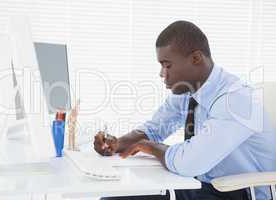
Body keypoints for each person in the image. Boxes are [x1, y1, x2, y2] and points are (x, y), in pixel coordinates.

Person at [94, 20, 276, 200]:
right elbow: (154, 129)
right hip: (202, 185)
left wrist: (151, 147)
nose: (161, 73)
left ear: (196, 58)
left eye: (167, 65)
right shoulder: (188, 91)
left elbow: (189, 162)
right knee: (114, 197)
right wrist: (118, 143)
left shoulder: (235, 100)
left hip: (239, 192)